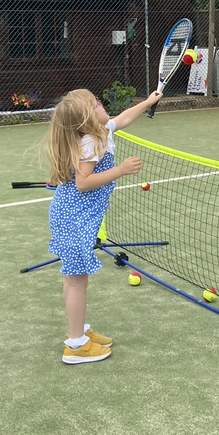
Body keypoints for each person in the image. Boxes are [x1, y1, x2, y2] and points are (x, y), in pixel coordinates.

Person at [46, 88, 162, 364]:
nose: (102, 104)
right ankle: (75, 346)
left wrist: (148, 102)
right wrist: (120, 170)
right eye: (97, 103)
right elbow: (83, 183)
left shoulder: (101, 131)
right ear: (88, 117)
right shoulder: (90, 143)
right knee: (76, 280)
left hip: (76, 215)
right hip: (74, 217)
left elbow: (122, 119)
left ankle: (79, 331)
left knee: (74, 279)